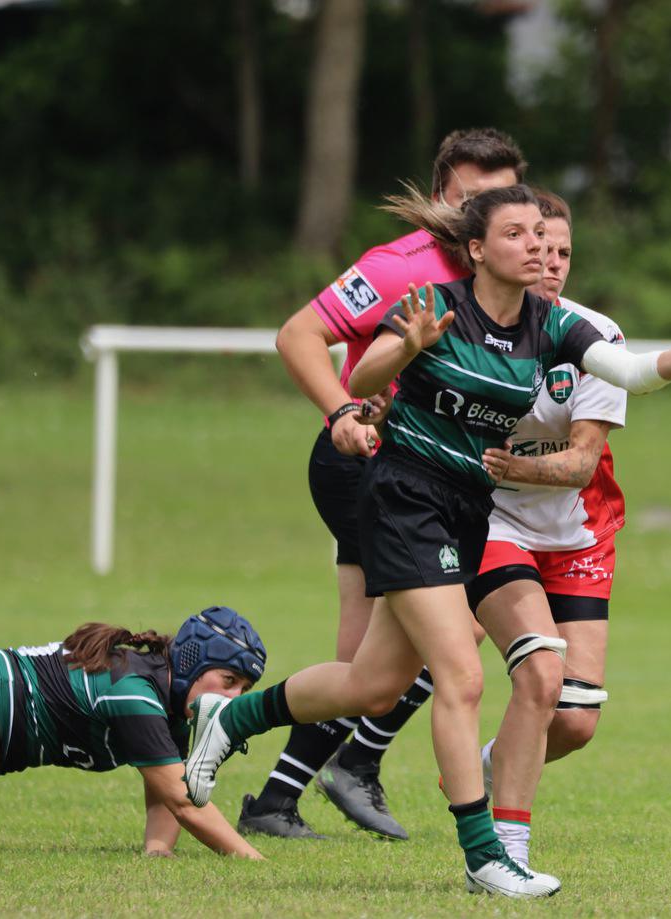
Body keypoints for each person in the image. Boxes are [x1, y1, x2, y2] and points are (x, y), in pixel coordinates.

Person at [180, 183, 671, 898]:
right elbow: (358, 378)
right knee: (461, 675)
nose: (538, 248)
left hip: (466, 509)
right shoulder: (436, 306)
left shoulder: (550, 326)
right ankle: (485, 856)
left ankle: (230, 715)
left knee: (373, 684)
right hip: (402, 498)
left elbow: (629, 372)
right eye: (517, 235)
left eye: (544, 237)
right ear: (480, 249)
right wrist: (406, 347)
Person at [248, 128, 527, 842]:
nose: (483, 215)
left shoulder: (502, 277)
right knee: (450, 637)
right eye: (471, 199)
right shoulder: (401, 267)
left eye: (500, 199)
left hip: (426, 470)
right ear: (442, 197)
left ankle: (276, 795)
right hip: (368, 461)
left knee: (366, 663)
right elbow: (297, 334)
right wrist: (340, 408)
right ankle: (357, 764)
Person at [463, 189, 627, 867]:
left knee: (577, 719)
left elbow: (584, 461)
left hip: (576, 530)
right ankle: (506, 849)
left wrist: (509, 464)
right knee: (539, 674)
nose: (549, 259)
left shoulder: (595, 336)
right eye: (537, 244)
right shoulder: (469, 327)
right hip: (491, 520)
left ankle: (496, 758)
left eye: (561, 250)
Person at [0, 606, 267, 858]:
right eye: (228, 680)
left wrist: (158, 850)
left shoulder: (169, 709)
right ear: (192, 663)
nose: (232, 697)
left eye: (243, 689)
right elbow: (183, 801)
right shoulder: (133, 692)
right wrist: (253, 860)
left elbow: (166, 790)